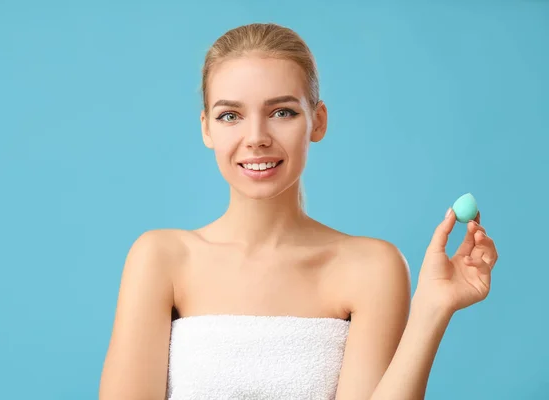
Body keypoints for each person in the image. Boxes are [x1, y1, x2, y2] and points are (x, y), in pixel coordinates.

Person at [98, 23, 499, 400]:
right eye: (230, 116)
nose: (255, 138)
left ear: (317, 122)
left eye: (282, 112)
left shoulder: (372, 266)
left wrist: (432, 308)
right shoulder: (161, 258)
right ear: (207, 128)